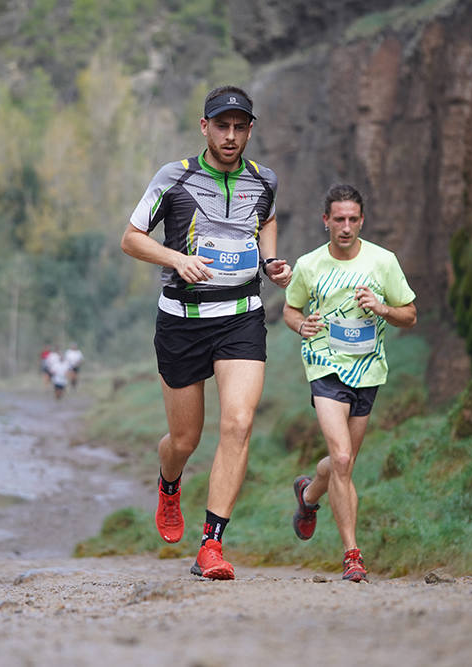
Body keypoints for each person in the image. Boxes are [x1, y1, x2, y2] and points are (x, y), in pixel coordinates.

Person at [120, 85, 292, 580]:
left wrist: (270, 262)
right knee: (184, 438)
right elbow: (131, 238)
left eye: (240, 127)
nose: (231, 136)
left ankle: (211, 546)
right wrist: (177, 259)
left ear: (250, 129)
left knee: (238, 423)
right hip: (182, 321)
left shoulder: (266, 181)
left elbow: (268, 217)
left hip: (241, 317)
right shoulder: (174, 177)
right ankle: (169, 483)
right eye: (222, 126)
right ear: (205, 127)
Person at [282, 184, 417, 583]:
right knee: (341, 460)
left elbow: (409, 315)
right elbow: (291, 309)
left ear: (362, 220)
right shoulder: (310, 265)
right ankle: (352, 555)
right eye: (337, 219)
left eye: (352, 219)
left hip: (368, 371)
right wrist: (301, 325)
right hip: (324, 366)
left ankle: (308, 495)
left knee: (344, 463)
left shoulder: (383, 261)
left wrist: (382, 308)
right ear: (325, 221)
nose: (345, 227)